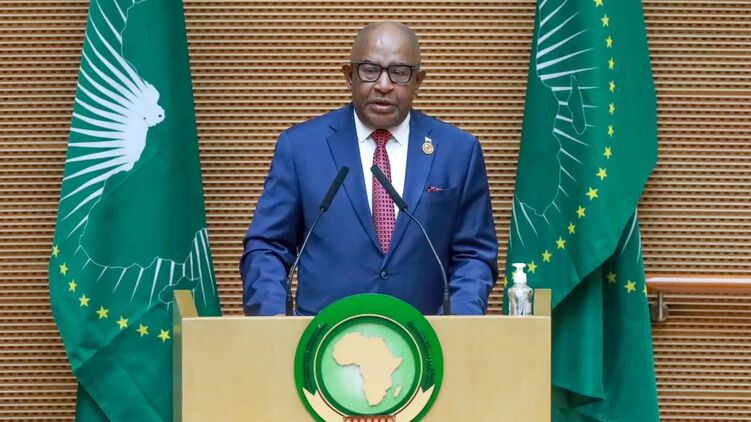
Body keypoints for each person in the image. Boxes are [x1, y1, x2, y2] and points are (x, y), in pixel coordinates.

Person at [240, 21, 498, 316]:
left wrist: (460, 325)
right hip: (321, 337)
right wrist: (274, 321)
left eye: (399, 72)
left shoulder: (458, 151)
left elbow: (474, 255)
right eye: (369, 70)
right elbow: (267, 246)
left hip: (425, 338)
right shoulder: (301, 148)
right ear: (348, 76)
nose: (383, 85)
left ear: (418, 81)